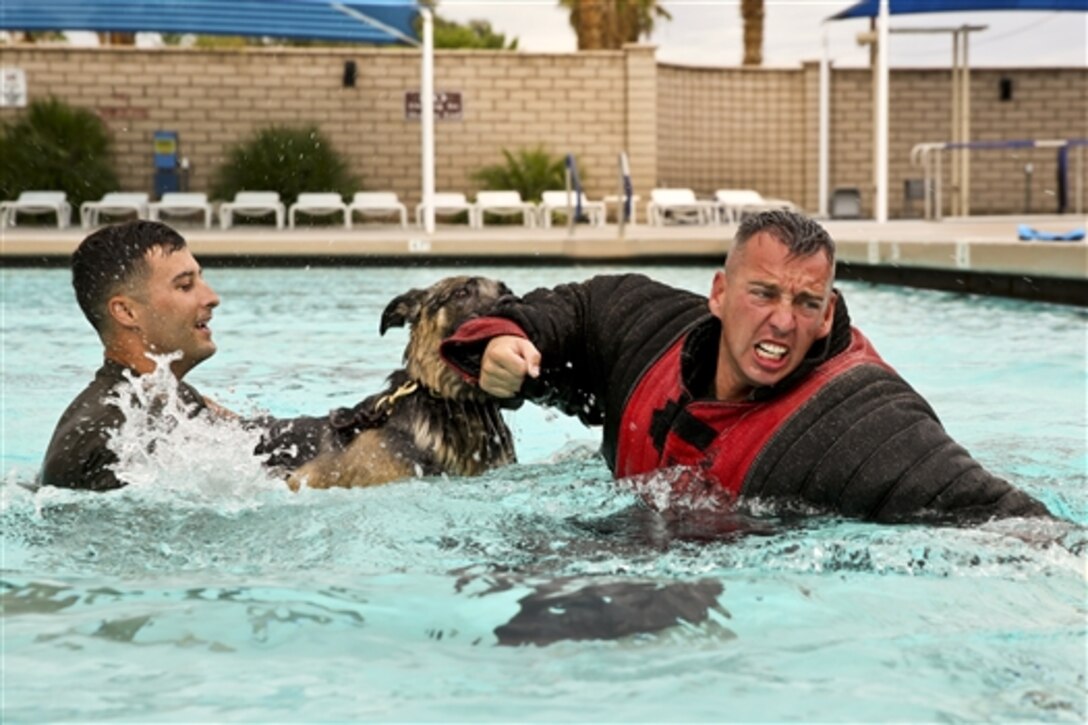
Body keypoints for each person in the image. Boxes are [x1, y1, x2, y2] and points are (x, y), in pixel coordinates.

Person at [441, 210, 1052, 523]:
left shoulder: (862, 421)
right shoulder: (651, 329)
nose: (783, 322)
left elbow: (1007, 521)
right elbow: (575, 309)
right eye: (762, 294)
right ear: (719, 294)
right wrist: (503, 338)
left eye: (806, 303)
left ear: (826, 310)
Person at [40, 220, 341, 491]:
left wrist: (363, 420)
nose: (211, 297)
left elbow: (259, 441)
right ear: (126, 311)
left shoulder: (169, 398)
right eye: (185, 286)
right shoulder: (103, 432)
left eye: (200, 279)